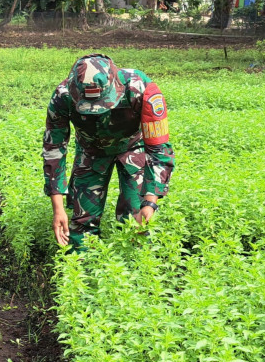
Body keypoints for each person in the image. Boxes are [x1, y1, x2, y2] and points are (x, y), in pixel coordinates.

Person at [43, 53, 175, 251]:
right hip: (91, 149)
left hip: (132, 146)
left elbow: (158, 149)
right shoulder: (63, 96)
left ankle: (135, 271)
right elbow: (54, 149)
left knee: (136, 219)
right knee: (82, 222)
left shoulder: (141, 89)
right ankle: (80, 269)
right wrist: (58, 208)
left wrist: (150, 202)